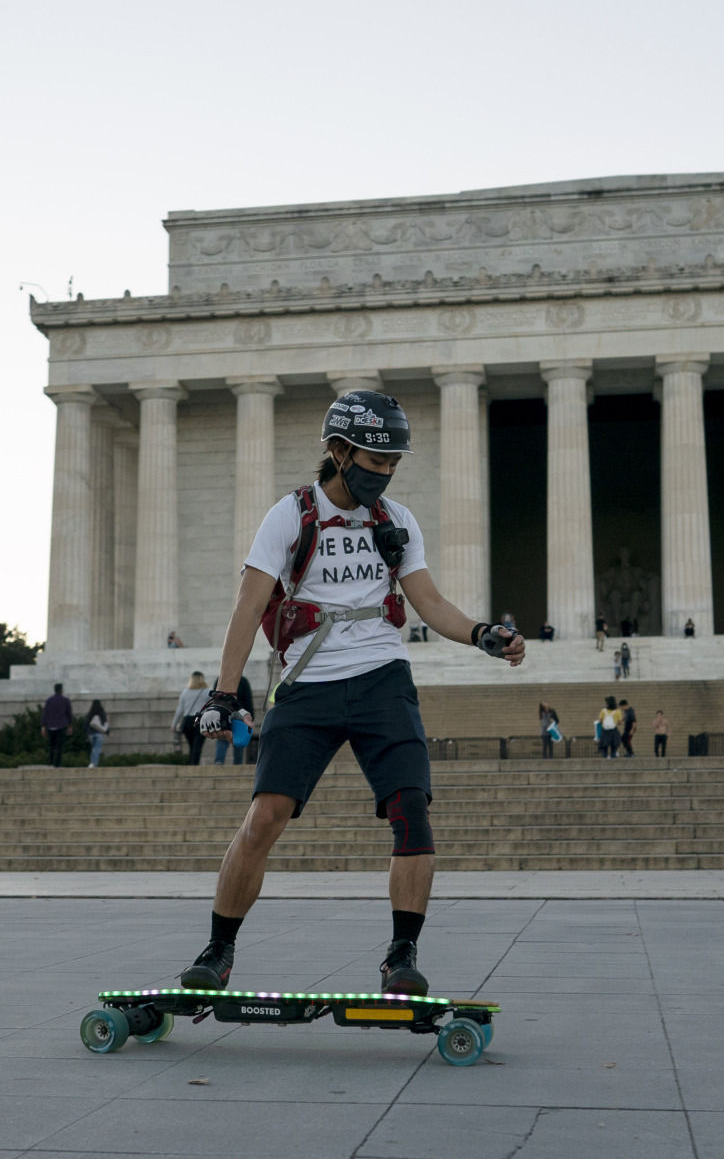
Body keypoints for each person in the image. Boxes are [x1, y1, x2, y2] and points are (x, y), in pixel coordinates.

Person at [175, 388, 526, 999]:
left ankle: (401, 955)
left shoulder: (397, 521)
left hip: (382, 680)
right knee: (264, 817)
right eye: (373, 460)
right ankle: (219, 950)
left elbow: (430, 603)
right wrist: (225, 694)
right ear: (338, 452)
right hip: (307, 683)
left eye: (392, 463)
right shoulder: (291, 515)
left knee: (410, 810)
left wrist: (481, 634)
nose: (382, 474)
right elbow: (249, 604)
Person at [171, 672, 208, 764]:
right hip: (199, 720)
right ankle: (193, 765)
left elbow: (179, 710)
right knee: (197, 745)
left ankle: (191, 763)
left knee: (192, 745)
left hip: (187, 721)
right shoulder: (207, 692)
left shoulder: (185, 692)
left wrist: (174, 724)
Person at [43, 683, 73, 768]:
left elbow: (45, 713)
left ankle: (50, 761)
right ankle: (57, 763)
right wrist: (70, 726)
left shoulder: (49, 700)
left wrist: (43, 726)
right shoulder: (65, 700)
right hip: (61, 725)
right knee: (60, 746)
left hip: (51, 725)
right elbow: (69, 714)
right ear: (61, 690)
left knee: (51, 745)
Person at [86, 700, 110, 768]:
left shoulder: (90, 713)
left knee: (94, 749)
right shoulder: (102, 713)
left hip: (91, 734)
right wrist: (107, 732)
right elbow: (105, 723)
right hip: (99, 734)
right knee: (97, 749)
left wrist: (86, 733)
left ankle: (92, 763)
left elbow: (86, 723)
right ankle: (94, 764)